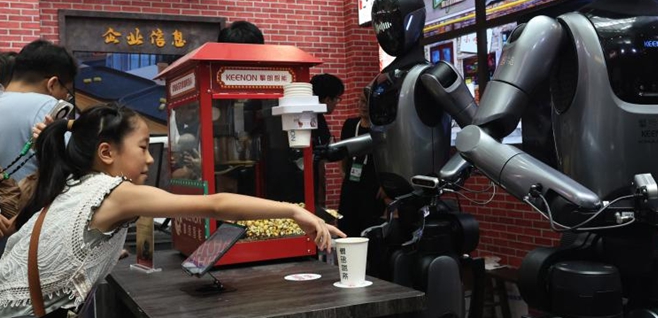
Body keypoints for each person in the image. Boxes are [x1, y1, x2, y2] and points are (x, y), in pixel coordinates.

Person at [0, 103, 345, 317]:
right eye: (143, 147)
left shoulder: (75, 185)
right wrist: (294, 211)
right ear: (106, 153)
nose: (150, 159)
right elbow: (216, 204)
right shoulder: (115, 192)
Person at [0, 40, 77, 182]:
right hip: (25, 196)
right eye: (67, 91)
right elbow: (74, 166)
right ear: (52, 84)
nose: (66, 97)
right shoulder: (47, 106)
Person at [337, 90, 385, 237]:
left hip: (373, 184)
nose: (363, 106)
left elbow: (390, 157)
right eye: (361, 101)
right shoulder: (350, 125)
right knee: (346, 223)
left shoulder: (382, 128)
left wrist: (385, 185)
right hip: (351, 182)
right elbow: (343, 151)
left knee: (369, 226)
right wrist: (343, 171)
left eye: (367, 102)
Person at [310, 73, 344, 207]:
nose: (337, 103)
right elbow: (319, 160)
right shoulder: (314, 119)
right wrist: (320, 196)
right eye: (337, 99)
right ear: (327, 99)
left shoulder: (316, 116)